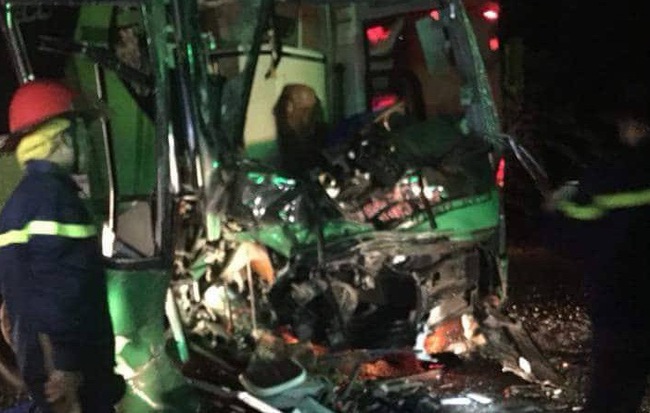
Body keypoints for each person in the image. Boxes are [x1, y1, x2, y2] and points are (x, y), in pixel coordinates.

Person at [0, 80, 124, 412]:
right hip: (72, 376)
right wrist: (68, 365)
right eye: (82, 133)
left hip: (42, 365)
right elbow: (63, 287)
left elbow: (26, 291)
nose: (88, 143)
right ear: (62, 138)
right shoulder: (56, 199)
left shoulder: (20, 202)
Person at [548, 82, 650, 412]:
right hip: (626, 308)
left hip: (625, 310)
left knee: (614, 396)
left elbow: (565, 236)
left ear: (635, 125)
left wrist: (556, 205)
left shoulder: (613, 176)